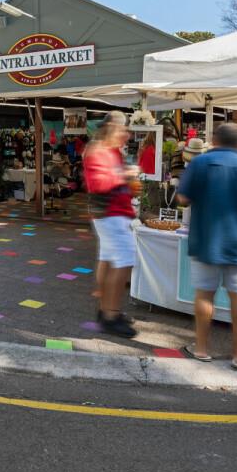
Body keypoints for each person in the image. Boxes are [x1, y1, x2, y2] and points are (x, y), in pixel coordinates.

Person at [177, 122, 237, 369]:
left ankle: (201, 349)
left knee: (204, 294)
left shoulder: (200, 163)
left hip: (207, 237)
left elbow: (182, 198)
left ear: (215, 140)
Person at [83, 110, 139, 338]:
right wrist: (125, 175)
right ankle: (111, 316)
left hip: (113, 213)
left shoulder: (109, 150)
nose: (126, 133)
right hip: (110, 214)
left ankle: (106, 311)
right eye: (123, 128)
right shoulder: (97, 152)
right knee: (124, 261)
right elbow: (98, 184)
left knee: (108, 260)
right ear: (112, 128)